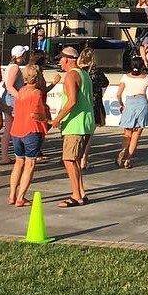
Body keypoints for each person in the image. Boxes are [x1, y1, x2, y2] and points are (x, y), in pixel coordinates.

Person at [49, 47, 95, 208]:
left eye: (60, 59)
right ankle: (81, 192)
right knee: (74, 160)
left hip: (75, 125)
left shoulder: (71, 75)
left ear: (67, 59)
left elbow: (72, 101)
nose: (59, 62)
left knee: (68, 159)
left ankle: (76, 195)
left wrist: (57, 119)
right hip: (86, 123)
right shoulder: (84, 74)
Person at [7, 63, 50, 206]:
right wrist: (47, 119)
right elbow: (34, 113)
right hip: (31, 129)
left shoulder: (20, 91)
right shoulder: (36, 93)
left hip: (17, 130)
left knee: (18, 162)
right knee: (30, 164)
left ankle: (12, 195)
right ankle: (21, 197)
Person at [115, 57, 148, 168]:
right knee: (136, 135)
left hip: (130, 103)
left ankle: (123, 151)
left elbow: (118, 94)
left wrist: (121, 104)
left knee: (127, 134)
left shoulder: (125, 77)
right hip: (142, 103)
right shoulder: (147, 78)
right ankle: (127, 160)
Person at [79, 47, 109, 170]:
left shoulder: (79, 71)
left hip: (82, 103)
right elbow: (105, 83)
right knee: (90, 134)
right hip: (94, 103)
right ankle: (84, 159)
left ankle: (76, 156)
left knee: (79, 132)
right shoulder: (97, 71)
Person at [0, 44, 30, 164]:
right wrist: (20, 97)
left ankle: (5, 155)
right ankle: (11, 154)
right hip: (12, 99)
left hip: (9, 97)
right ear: (21, 56)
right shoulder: (15, 68)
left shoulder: (10, 67)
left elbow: (5, 84)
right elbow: (9, 86)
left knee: (9, 128)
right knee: (15, 127)